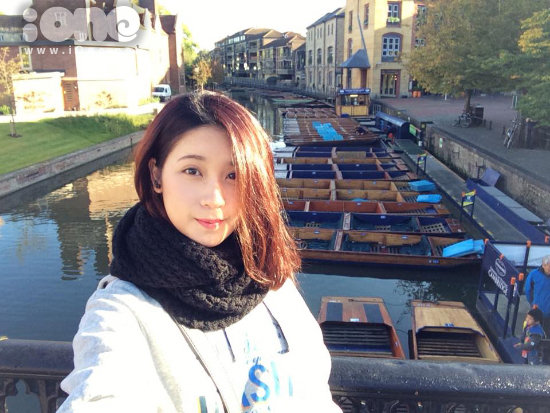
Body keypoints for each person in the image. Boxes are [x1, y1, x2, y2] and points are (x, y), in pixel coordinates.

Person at [58, 93, 342, 412]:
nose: (214, 198)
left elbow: (317, 396)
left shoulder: (268, 274)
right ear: (156, 175)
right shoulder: (123, 310)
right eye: (192, 171)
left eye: (233, 175)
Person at [524, 255, 550, 333]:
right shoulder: (534, 274)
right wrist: (532, 302)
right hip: (537, 311)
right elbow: (528, 290)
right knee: (533, 332)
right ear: (543, 265)